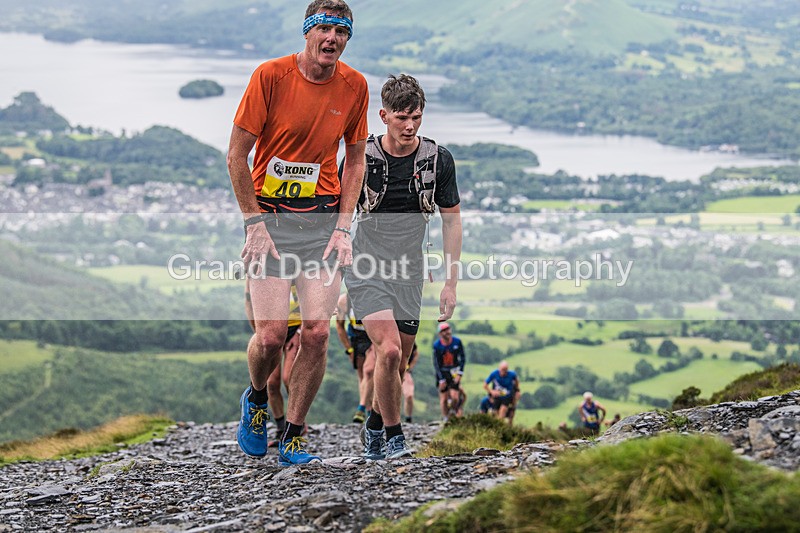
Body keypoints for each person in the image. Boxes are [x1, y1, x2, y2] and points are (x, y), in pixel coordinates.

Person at [228, 0, 368, 466]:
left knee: (316, 334)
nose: (332, 38)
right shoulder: (270, 76)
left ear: (348, 38)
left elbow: (357, 160)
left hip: (323, 222)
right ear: (307, 31)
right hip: (270, 221)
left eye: (341, 31)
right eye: (324, 28)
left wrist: (344, 228)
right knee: (269, 337)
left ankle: (293, 433)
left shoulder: (355, 86)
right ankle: (255, 400)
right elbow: (236, 157)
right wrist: (254, 223)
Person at [345, 74, 462, 460]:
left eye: (416, 117)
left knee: (398, 364)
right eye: (401, 117)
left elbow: (452, 220)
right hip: (366, 266)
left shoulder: (437, 160)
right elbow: (340, 213)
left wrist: (450, 284)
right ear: (383, 116)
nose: (409, 126)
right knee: (389, 352)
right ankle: (395, 438)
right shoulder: (362, 156)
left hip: (410, 271)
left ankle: (375, 425)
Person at [244, 281, 304, 447]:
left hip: (296, 328)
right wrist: (259, 331)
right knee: (271, 382)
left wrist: (301, 331)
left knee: (288, 377)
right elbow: (249, 301)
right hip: (274, 327)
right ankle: (280, 427)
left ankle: (297, 422)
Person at [335, 292, 375, 423]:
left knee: (369, 371)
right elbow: (339, 326)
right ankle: (370, 411)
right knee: (363, 377)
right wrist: (349, 349)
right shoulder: (344, 301)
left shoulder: (373, 295)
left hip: (373, 337)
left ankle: (361, 408)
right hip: (356, 339)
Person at [433, 322, 467, 422]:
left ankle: (452, 412)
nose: (446, 332)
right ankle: (445, 419)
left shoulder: (457, 342)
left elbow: (463, 358)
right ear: (440, 334)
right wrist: (441, 379)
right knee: (443, 399)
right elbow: (436, 364)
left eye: (447, 329)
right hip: (442, 373)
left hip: (454, 373)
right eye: (443, 331)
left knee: (455, 397)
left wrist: (460, 373)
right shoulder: (437, 346)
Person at [401, 343, 418, 423]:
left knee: (409, 395)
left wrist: (410, 367)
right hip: (391, 371)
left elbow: (416, 352)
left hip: (405, 372)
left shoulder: (409, 340)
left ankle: (408, 418)